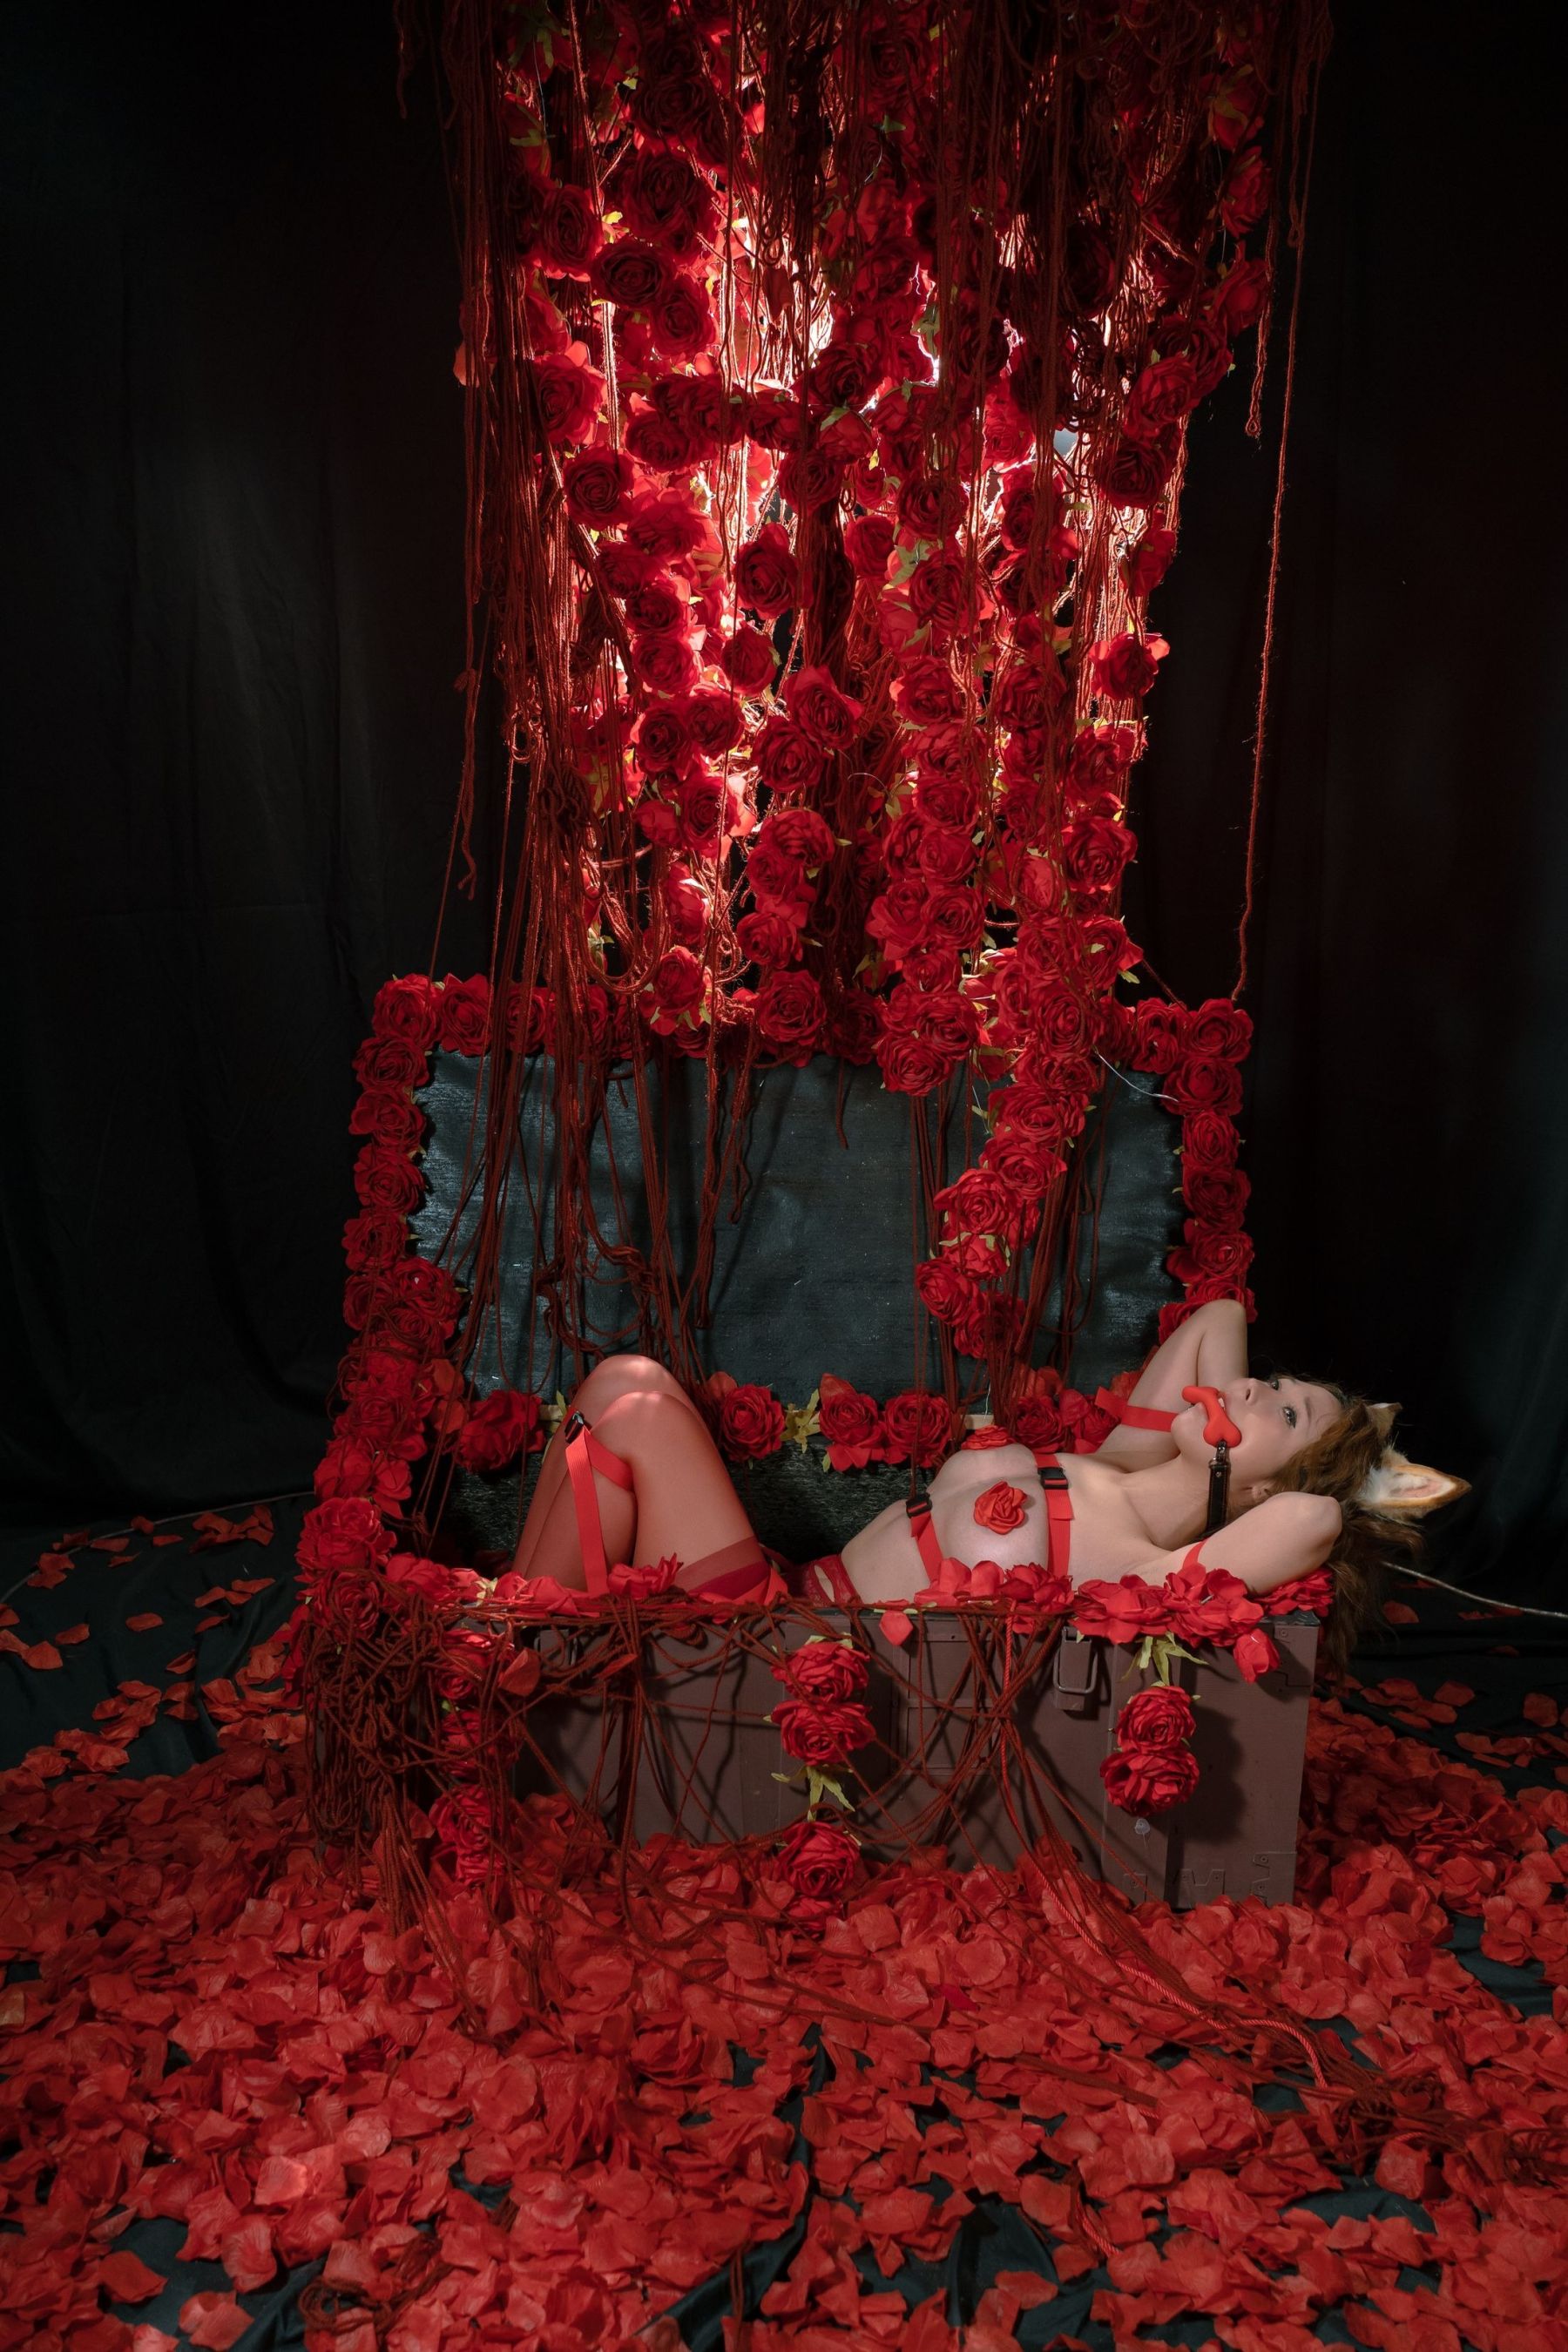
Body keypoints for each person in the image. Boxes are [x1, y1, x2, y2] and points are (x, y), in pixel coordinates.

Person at [508, 1302, 1465, 1657]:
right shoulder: (1119, 1466)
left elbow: (1310, 1523)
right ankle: (506, 1637)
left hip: (778, 1650)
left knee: (634, 1407)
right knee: (622, 1388)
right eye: (1274, 1384)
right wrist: (1252, 1425)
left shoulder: (1143, 1569)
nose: (1252, 1387)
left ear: (1268, 1491)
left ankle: (496, 1652)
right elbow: (1219, 1316)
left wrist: (1355, 1477)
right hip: (785, 1582)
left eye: (1285, 1413)